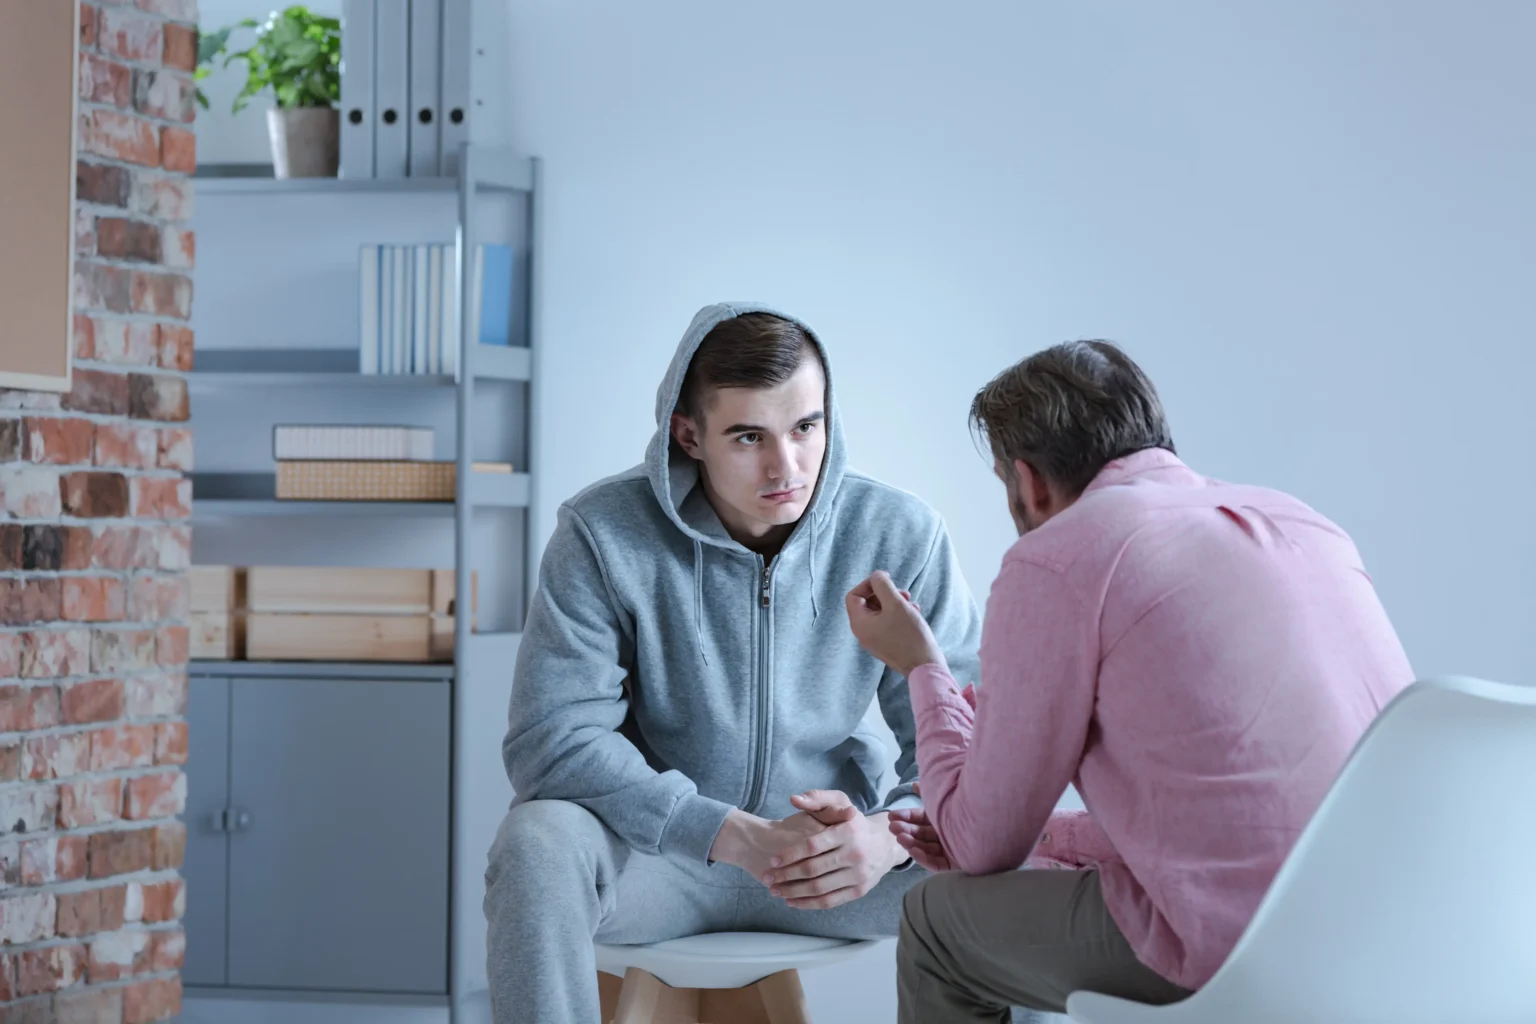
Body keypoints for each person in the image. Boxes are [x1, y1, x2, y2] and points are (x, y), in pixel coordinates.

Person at [838, 340, 1414, 1022]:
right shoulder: (1307, 525)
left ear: (1028, 483)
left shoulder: (1060, 557)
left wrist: (921, 666)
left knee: (937, 922)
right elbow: (1250, 816)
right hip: (1404, 934)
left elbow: (978, 846)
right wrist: (1051, 837)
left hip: (1251, 954)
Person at [484, 303, 982, 1022]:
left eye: (807, 427)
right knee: (536, 845)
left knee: (1015, 863)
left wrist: (887, 837)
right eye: (750, 436)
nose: (789, 466)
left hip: (837, 866)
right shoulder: (602, 534)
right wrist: (729, 834)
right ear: (689, 435)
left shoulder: (899, 532)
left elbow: (972, 748)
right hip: (660, 862)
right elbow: (550, 743)